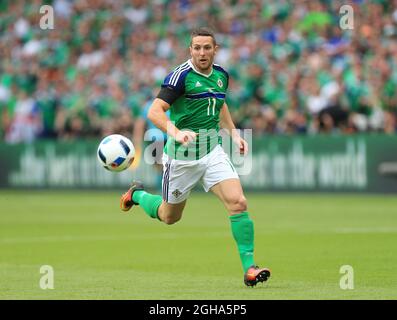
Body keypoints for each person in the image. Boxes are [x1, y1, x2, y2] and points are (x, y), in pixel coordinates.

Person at [120, 27, 270, 287]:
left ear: (215, 50)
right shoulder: (180, 77)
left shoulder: (222, 75)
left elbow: (220, 103)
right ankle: (137, 195)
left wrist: (234, 135)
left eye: (207, 47)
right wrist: (175, 132)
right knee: (169, 217)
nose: (202, 52)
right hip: (181, 158)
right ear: (190, 50)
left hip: (212, 151)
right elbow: (155, 112)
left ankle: (250, 269)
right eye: (197, 48)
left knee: (238, 202)